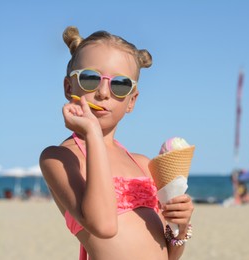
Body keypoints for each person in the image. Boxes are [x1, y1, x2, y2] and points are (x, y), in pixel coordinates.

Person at [40, 26, 194, 260]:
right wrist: (92, 133)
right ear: (69, 87)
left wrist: (180, 226)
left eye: (119, 85)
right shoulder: (59, 159)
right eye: (90, 79)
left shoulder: (143, 165)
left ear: (131, 100)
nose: (103, 93)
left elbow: (170, 254)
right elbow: (103, 226)